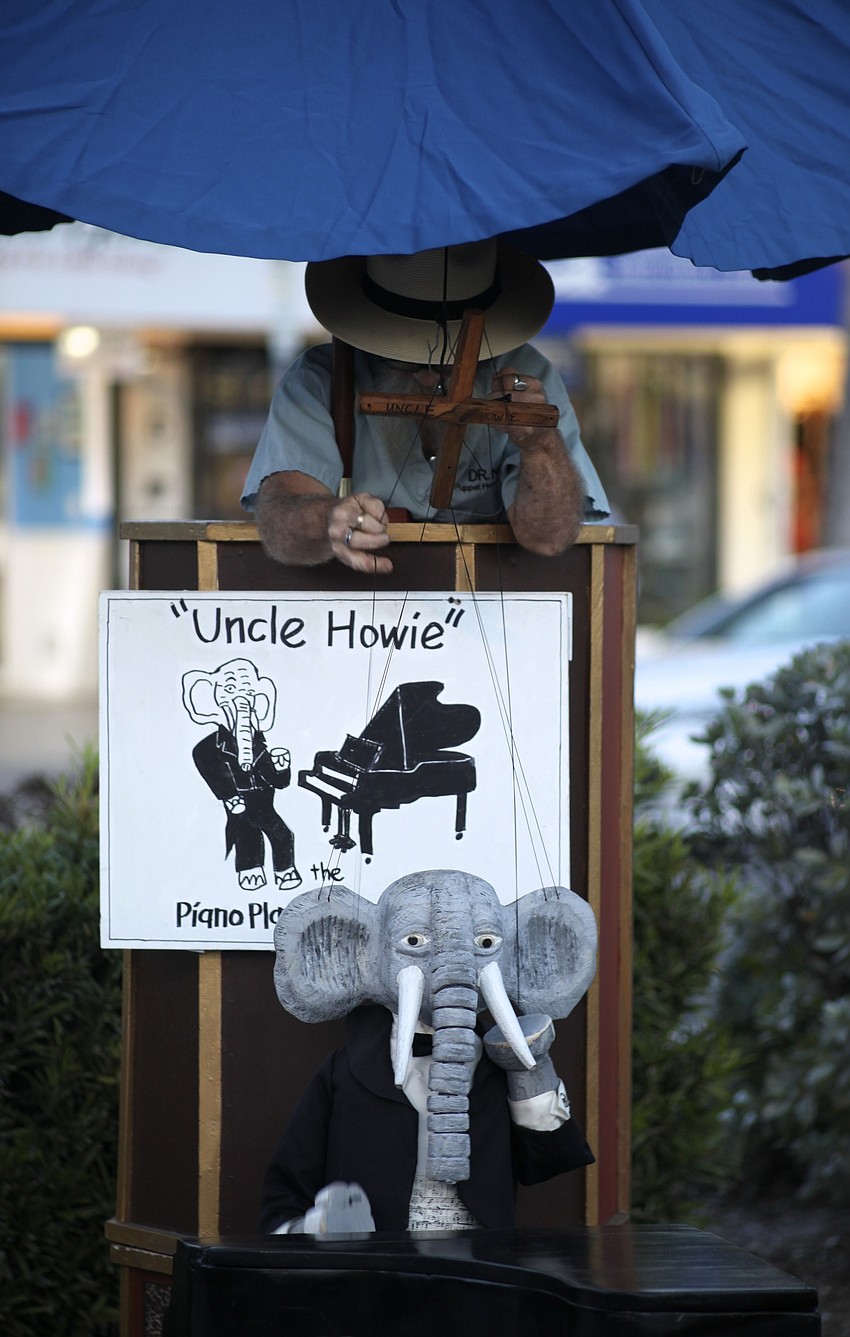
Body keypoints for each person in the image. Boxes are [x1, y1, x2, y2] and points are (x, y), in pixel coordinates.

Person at [242, 240, 609, 574]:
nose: (427, 376)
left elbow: (547, 538)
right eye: (406, 358)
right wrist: (328, 518)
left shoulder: (528, 379)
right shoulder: (320, 378)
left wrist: (539, 444)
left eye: (450, 362)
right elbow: (280, 525)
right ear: (373, 332)